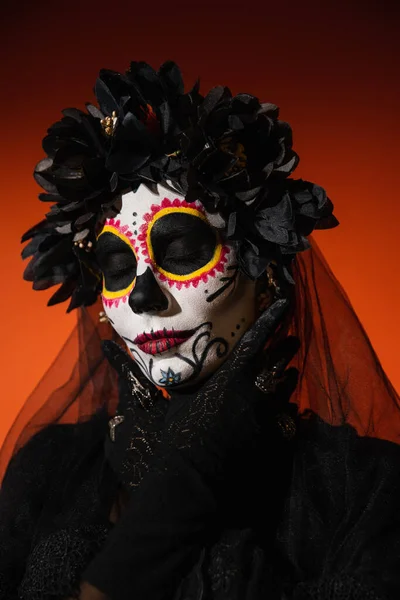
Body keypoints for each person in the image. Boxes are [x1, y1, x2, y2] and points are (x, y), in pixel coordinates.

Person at [1, 60, 399, 600]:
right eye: (116, 268)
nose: (142, 295)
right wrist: (187, 480)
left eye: (184, 250)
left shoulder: (368, 485)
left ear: (267, 274)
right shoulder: (51, 470)